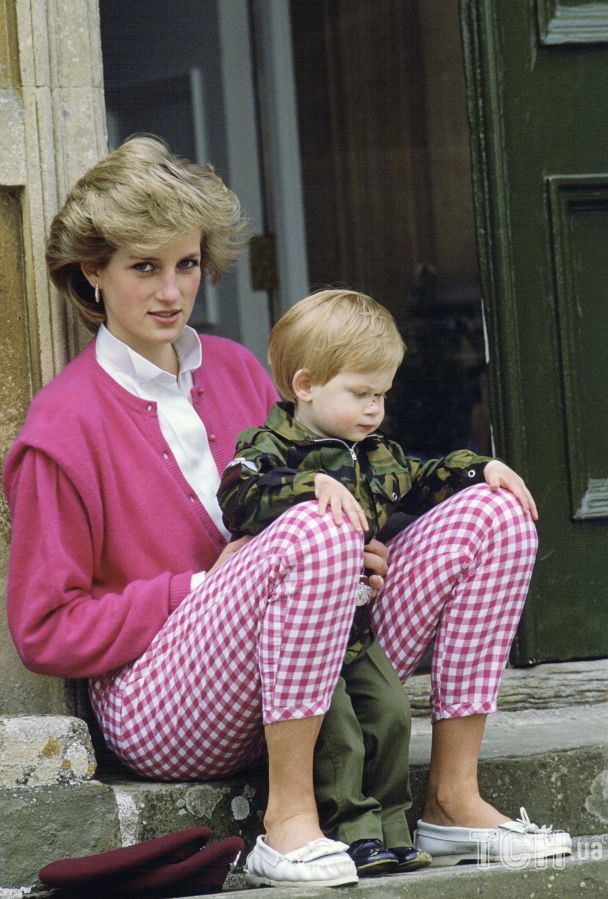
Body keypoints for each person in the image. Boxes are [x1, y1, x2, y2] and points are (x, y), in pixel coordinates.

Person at [2, 137, 569, 891]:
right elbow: (45, 628)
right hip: (162, 707)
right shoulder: (62, 427)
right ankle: (289, 822)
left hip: (309, 676)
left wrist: (358, 554)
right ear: (92, 273)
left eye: (187, 264)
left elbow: (337, 493)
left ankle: (452, 799)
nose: (172, 290)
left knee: (492, 514)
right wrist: (201, 586)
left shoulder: (237, 369)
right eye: (144, 266)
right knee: (308, 526)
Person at [218, 288, 572, 870]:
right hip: (298, 644)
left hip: (357, 633)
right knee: (341, 733)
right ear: (305, 385)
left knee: (390, 714)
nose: (374, 409)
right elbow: (238, 496)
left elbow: (423, 476)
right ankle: (349, 829)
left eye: (381, 394)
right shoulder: (269, 448)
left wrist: (478, 467)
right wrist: (308, 488)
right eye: (360, 394)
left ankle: (392, 830)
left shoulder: (374, 454)